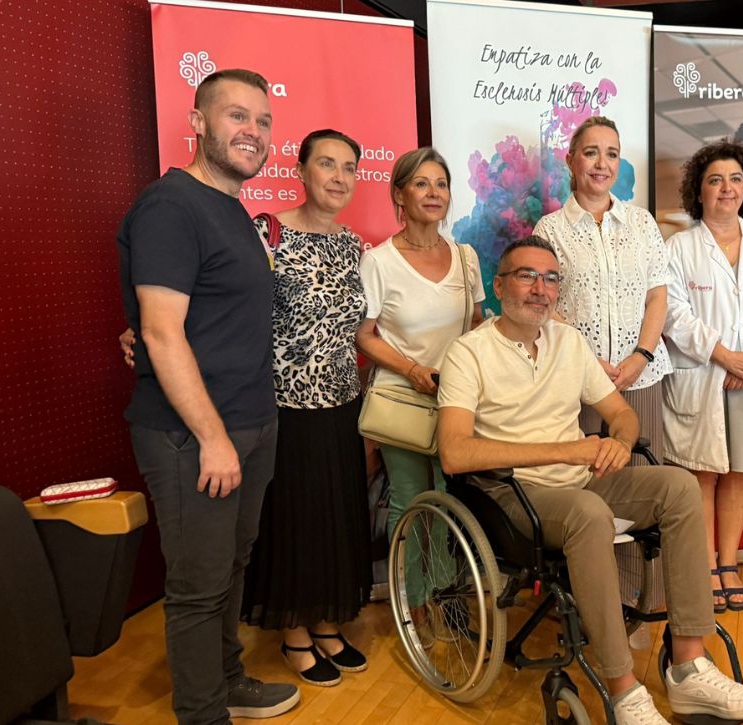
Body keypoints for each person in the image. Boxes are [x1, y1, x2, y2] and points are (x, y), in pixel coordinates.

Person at [437, 236, 743, 725]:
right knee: (589, 512)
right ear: (500, 285)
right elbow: (454, 453)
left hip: (580, 482)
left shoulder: (569, 343)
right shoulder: (469, 353)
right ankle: (624, 690)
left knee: (679, 487)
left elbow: (620, 413)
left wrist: (619, 439)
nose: (540, 289)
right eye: (527, 276)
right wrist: (567, 450)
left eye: (551, 279)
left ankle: (688, 667)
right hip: (512, 495)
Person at [115, 69, 299, 723]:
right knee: (198, 586)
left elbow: (195, 317)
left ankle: (227, 680)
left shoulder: (231, 208)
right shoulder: (172, 206)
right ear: (197, 122)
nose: (254, 131)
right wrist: (213, 437)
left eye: (263, 120)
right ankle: (203, 712)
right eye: (236, 116)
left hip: (250, 422)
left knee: (231, 565)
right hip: (191, 435)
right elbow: (162, 333)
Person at [239, 129, 371, 687]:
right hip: (284, 406)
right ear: (301, 170)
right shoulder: (268, 233)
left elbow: (361, 329)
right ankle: (293, 630)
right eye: (327, 164)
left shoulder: (355, 246)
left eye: (348, 168)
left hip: (341, 403)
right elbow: (236, 313)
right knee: (293, 519)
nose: (339, 177)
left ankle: (325, 623)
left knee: (334, 518)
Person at [355, 147, 484, 643]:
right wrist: (411, 370)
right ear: (399, 194)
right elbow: (364, 335)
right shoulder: (379, 261)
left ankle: (446, 598)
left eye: (441, 184)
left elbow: (476, 325)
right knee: (410, 502)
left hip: (456, 401)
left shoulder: (466, 258)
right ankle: (413, 605)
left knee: (451, 501)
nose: (434, 193)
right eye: (422, 184)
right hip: (403, 400)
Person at [662, 140, 743, 614]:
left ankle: (729, 564)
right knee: (704, 473)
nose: (726, 188)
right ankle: (703, 567)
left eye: (735, 179)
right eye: (715, 180)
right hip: (706, 375)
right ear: (699, 190)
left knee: (739, 471)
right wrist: (724, 356)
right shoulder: (679, 248)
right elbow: (673, 314)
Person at [533, 116, 671, 460]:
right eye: (591, 152)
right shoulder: (549, 230)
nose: (601, 164)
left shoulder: (642, 222)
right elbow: (544, 306)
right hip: (577, 378)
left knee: (645, 479)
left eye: (611, 154)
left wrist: (641, 357)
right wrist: (588, 362)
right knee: (587, 478)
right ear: (571, 160)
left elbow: (657, 296)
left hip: (641, 375)